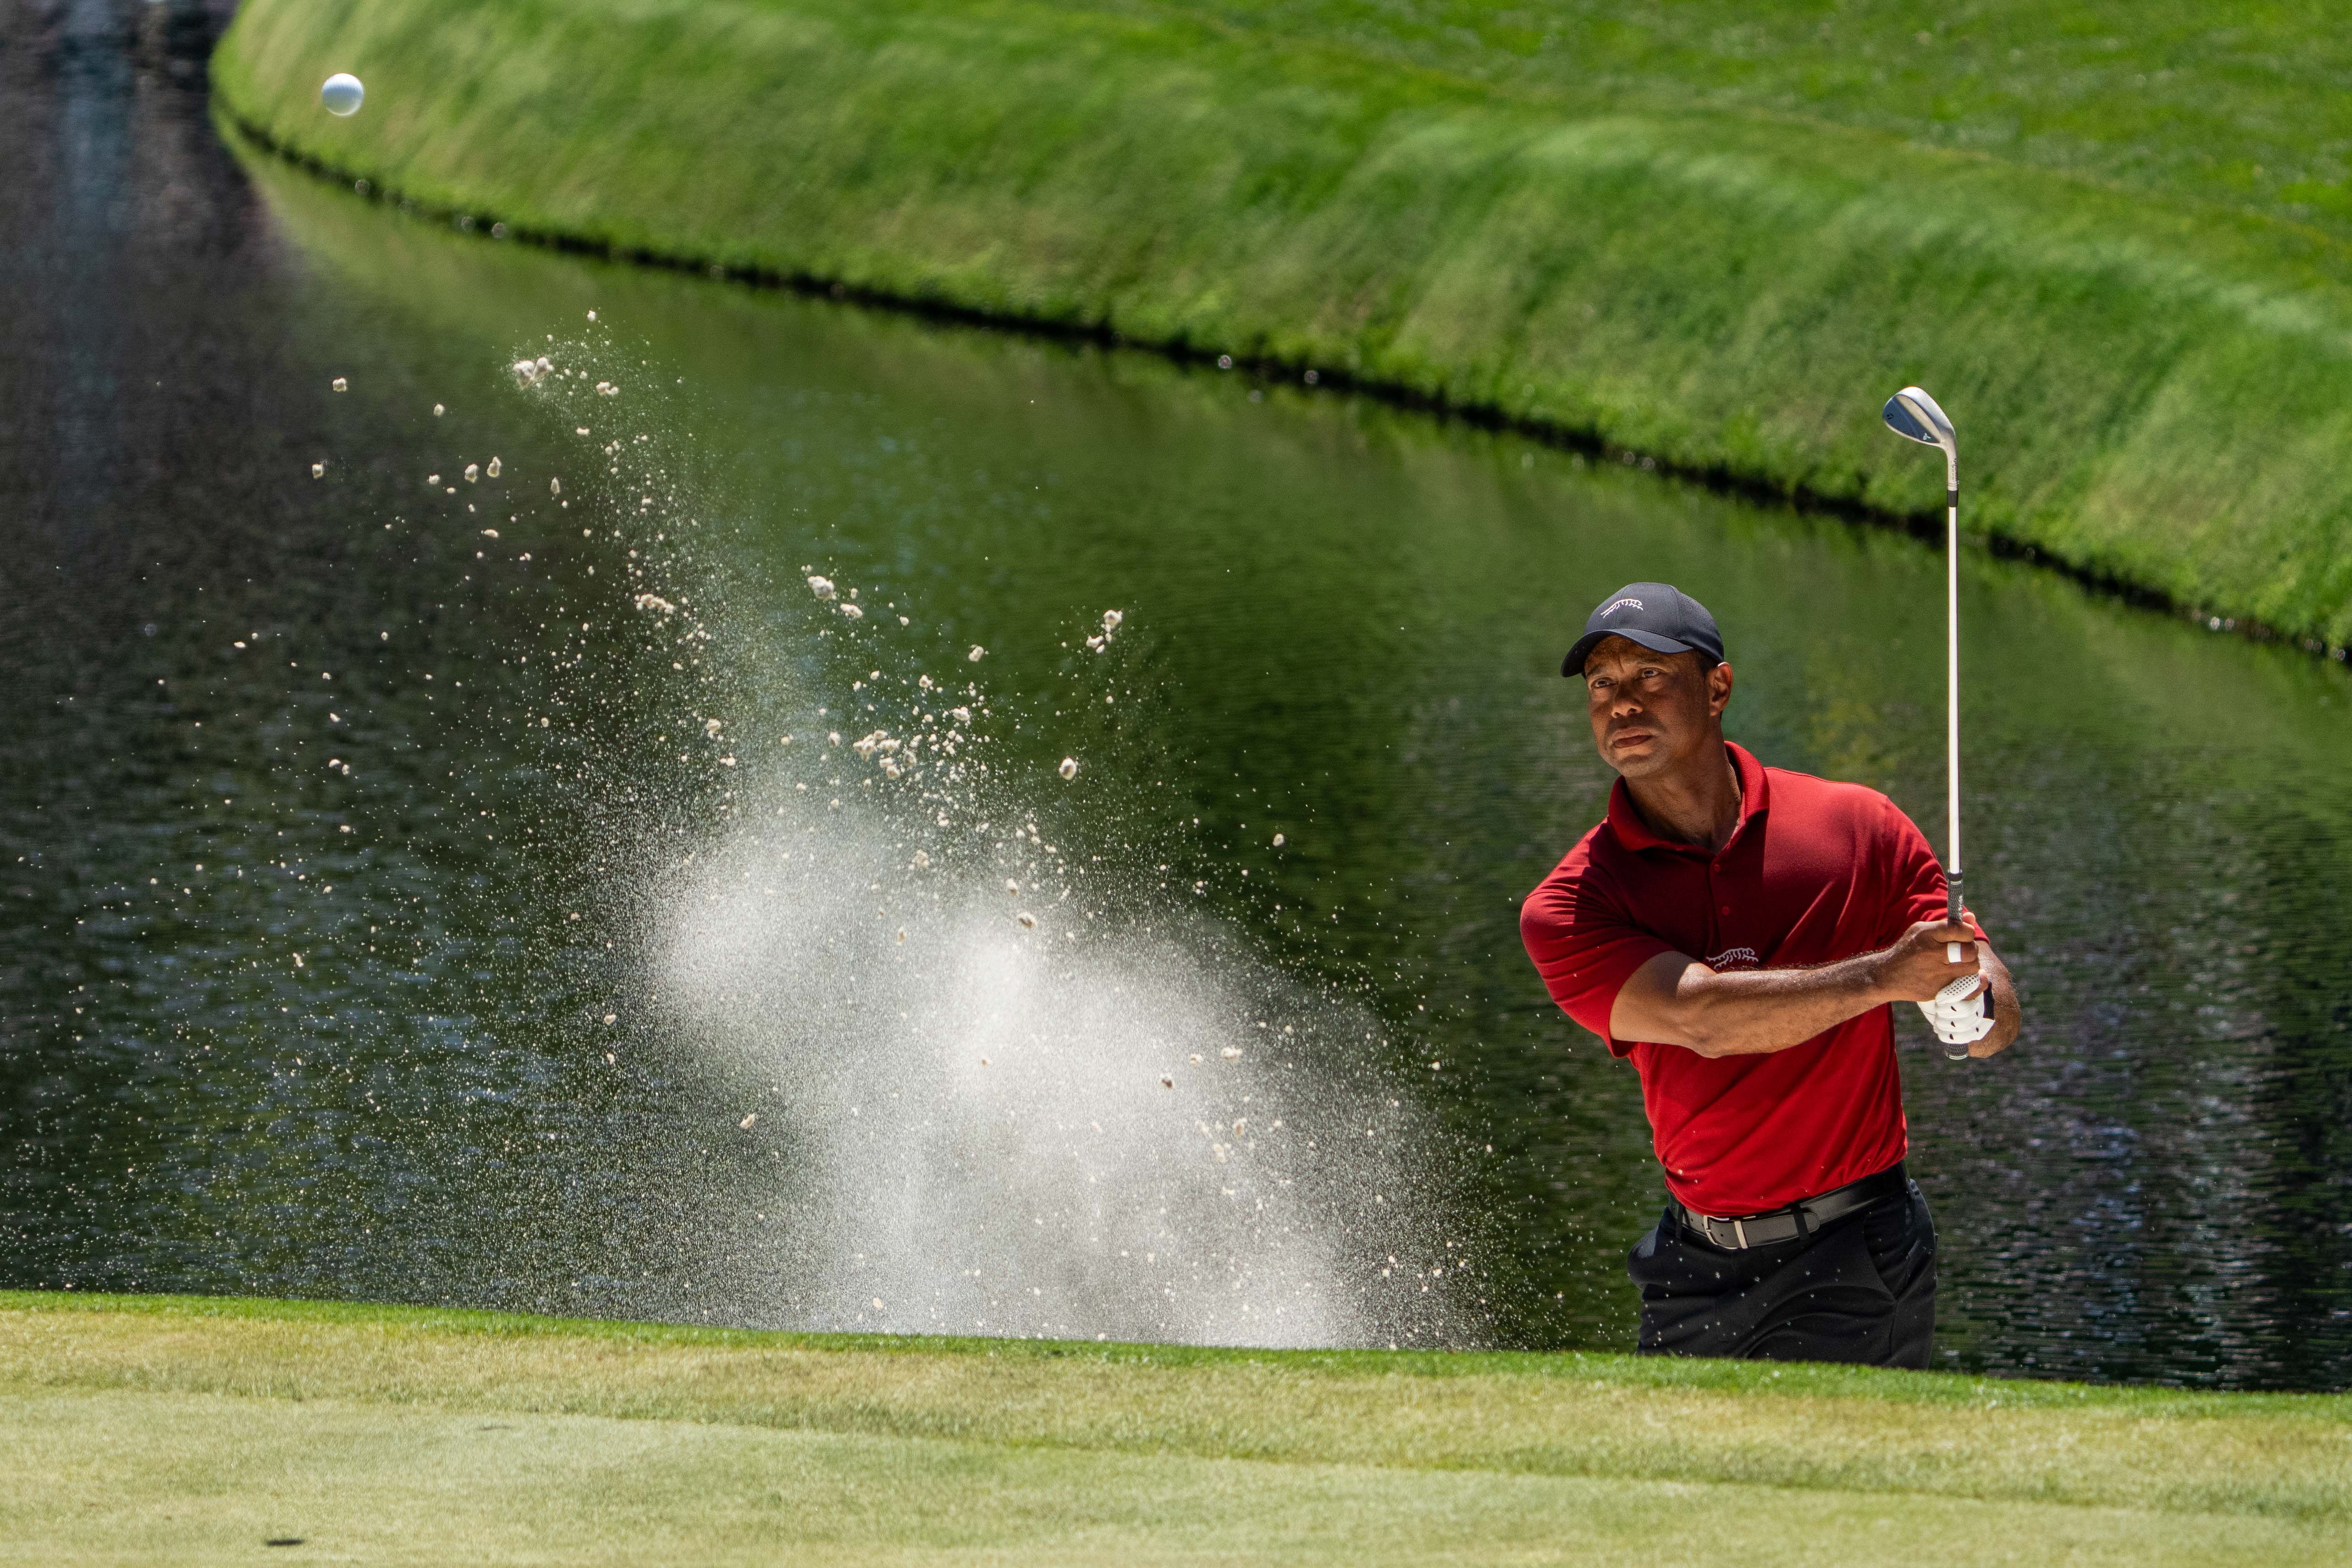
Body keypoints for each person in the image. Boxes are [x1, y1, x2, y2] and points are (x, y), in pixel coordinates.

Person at [1519, 581, 2021, 1368]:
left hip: (1855, 1247)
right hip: (1694, 1264)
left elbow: (1980, 980)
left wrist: (1974, 1006)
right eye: (1603, 684)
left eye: (1650, 675)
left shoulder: (1858, 826)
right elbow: (1703, 1020)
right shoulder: (1572, 902)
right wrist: (1886, 977)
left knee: (1843, 1489)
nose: (1622, 703)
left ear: (1717, 686)